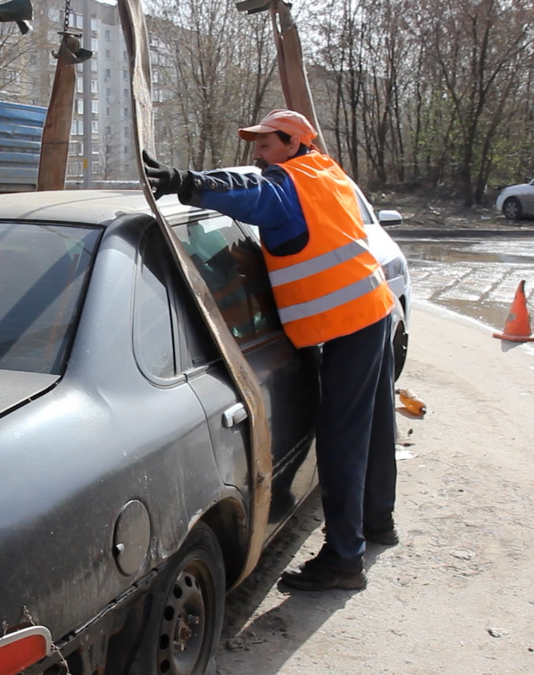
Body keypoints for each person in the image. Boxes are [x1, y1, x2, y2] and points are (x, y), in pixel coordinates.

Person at [143, 109, 398, 592]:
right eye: (255, 145)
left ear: (292, 144)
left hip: (346, 321)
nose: (256, 154)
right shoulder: (326, 170)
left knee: (342, 438)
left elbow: (255, 196)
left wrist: (185, 183)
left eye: (265, 145)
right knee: (375, 423)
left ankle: (345, 560)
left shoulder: (286, 185)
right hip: (370, 308)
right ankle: (378, 522)